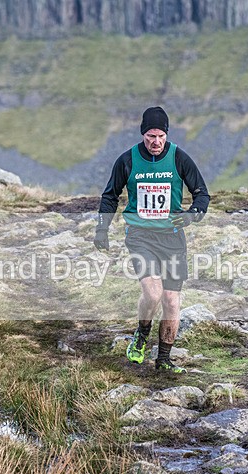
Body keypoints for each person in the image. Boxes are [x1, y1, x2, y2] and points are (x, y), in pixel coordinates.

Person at [95, 106, 210, 373]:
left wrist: (193, 215)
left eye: (160, 136)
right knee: (153, 292)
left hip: (172, 239)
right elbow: (110, 196)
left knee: (171, 300)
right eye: (150, 136)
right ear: (142, 134)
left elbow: (202, 194)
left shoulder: (179, 158)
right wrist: (101, 229)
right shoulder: (128, 160)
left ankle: (164, 360)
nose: (156, 142)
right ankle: (142, 334)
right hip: (140, 236)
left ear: (166, 134)